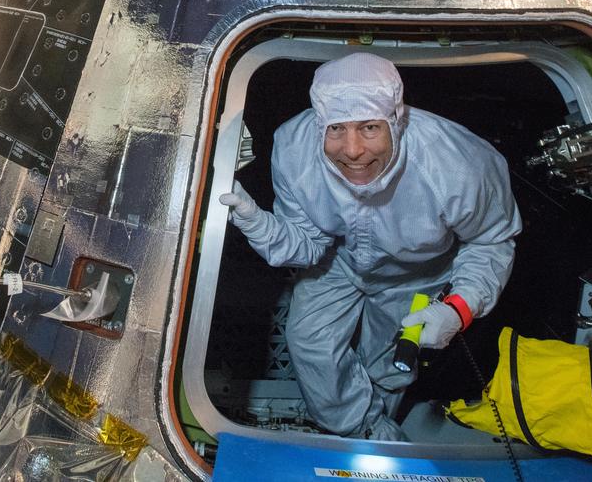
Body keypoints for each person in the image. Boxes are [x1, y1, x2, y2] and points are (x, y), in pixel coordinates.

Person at [219, 52, 522, 440]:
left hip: (419, 275)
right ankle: (360, 430)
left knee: (390, 363)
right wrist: (257, 223)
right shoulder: (293, 149)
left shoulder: (458, 164)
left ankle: (380, 427)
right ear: (319, 124)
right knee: (310, 343)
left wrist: (459, 308)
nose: (352, 150)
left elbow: (491, 241)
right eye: (335, 129)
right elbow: (308, 245)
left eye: (369, 128)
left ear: (395, 120)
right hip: (338, 262)